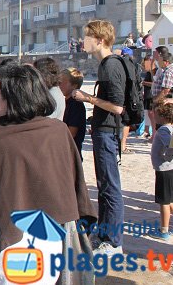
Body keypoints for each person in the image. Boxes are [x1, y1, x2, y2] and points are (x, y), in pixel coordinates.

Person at [0, 64, 96, 282]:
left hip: (4, 247)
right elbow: (73, 183)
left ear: (9, 97)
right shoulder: (58, 131)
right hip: (49, 243)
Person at [71, 20, 126, 255]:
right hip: (103, 130)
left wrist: (87, 98)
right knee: (104, 185)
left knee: (110, 186)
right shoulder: (107, 64)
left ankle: (113, 241)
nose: (84, 41)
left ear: (100, 40)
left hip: (107, 130)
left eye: (87, 37)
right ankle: (105, 235)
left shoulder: (109, 66)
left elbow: (117, 107)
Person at [148, 101, 173, 240]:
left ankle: (164, 231)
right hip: (169, 169)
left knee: (164, 201)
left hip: (165, 169)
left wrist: (167, 154)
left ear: (163, 116)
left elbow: (170, 145)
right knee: (169, 200)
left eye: (156, 113)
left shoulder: (164, 130)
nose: (153, 115)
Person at [60, 68, 87, 159]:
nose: (59, 84)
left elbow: (72, 132)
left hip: (70, 153)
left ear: (74, 85)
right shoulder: (65, 102)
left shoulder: (75, 104)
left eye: (63, 82)